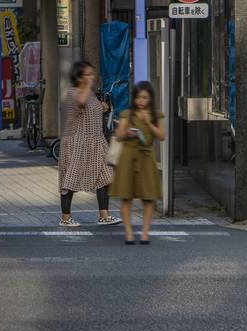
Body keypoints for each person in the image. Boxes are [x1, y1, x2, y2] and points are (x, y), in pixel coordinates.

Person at [58, 61, 120, 228]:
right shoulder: (71, 93)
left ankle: (104, 215)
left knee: (106, 175)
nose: (91, 77)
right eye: (87, 74)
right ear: (78, 76)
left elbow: (92, 106)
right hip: (77, 141)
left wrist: (103, 106)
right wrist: (88, 85)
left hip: (96, 140)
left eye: (91, 74)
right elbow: (81, 103)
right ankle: (65, 217)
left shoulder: (90, 93)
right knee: (70, 179)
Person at [110, 81, 167, 244]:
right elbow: (119, 135)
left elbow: (162, 136)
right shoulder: (127, 114)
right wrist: (127, 132)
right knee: (126, 197)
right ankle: (128, 232)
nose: (141, 101)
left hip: (147, 158)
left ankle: (145, 233)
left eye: (145, 98)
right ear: (134, 98)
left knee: (148, 198)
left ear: (150, 99)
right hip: (128, 157)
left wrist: (149, 122)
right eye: (138, 97)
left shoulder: (157, 115)